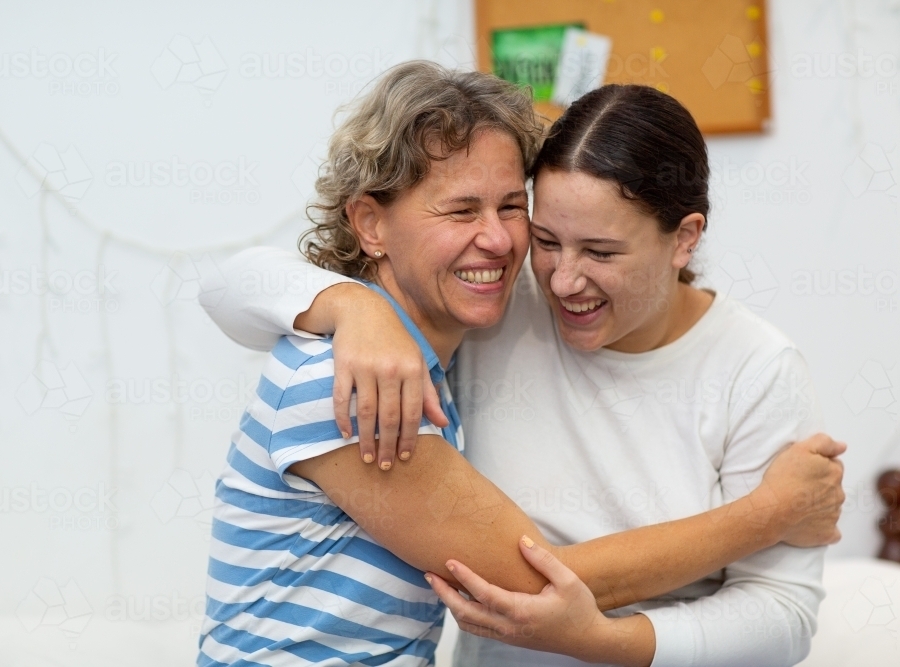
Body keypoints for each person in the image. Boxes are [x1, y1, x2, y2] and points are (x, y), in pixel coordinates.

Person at [199, 63, 845, 667]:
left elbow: (782, 612)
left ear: (685, 238)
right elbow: (533, 579)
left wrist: (612, 639)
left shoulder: (757, 369)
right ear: (370, 223)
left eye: (512, 208)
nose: (551, 271)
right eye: (546, 239)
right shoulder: (363, 375)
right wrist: (768, 513)